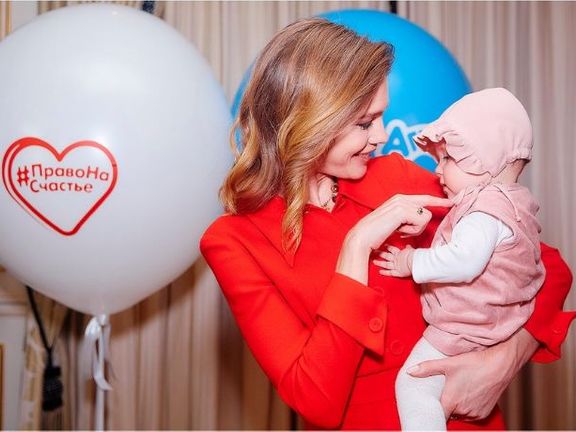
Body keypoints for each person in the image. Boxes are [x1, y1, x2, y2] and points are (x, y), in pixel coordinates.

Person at [200, 18, 575, 430]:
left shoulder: (397, 177)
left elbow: (544, 267)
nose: (381, 136)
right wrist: (356, 248)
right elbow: (316, 400)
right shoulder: (234, 241)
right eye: (364, 123)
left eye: (381, 117)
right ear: (309, 121)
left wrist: (503, 359)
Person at [374, 88, 546, 430]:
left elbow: (465, 261)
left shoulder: (483, 212)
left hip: (466, 327)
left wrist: (412, 262)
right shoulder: (514, 204)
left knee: (413, 384)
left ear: (482, 161)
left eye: (448, 159)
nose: (437, 170)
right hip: (498, 323)